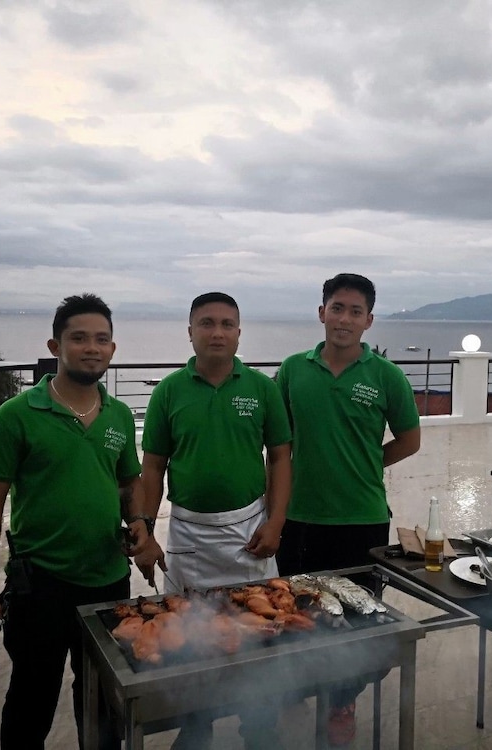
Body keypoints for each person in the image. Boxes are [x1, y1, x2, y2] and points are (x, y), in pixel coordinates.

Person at [0, 293, 164, 750]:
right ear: (55, 346)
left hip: (108, 579)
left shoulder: (117, 415)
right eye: (79, 338)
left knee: (102, 701)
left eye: (102, 339)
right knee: (32, 700)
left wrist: (140, 523)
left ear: (113, 348)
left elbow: (128, 482)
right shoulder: (17, 415)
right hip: (40, 584)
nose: (92, 348)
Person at [140, 291, 292, 750]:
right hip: (189, 534)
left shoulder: (261, 388)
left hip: (249, 528)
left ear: (239, 333)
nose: (217, 332)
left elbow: (280, 457)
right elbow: (153, 467)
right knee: (191, 634)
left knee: (260, 629)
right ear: (190, 332)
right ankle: (196, 724)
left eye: (227, 324)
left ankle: (259, 724)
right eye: (206, 323)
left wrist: (276, 522)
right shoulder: (169, 391)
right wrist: (144, 527)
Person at [275, 272, 421, 747]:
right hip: (299, 517)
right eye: (337, 308)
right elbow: (278, 442)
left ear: (368, 321)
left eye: (355, 311)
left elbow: (410, 439)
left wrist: (368, 462)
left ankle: (342, 699)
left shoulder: (386, 376)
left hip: (362, 519)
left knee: (355, 618)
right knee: (297, 608)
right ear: (322, 312)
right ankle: (297, 684)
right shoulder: (293, 370)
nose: (344, 319)